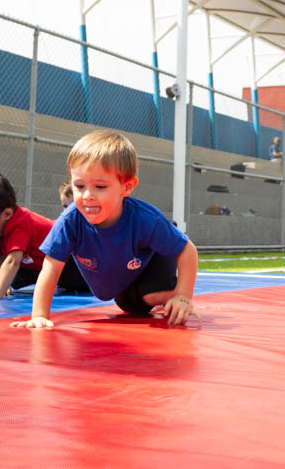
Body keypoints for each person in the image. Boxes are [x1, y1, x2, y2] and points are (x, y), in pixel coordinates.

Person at [10, 130, 199, 328]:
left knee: (153, 296)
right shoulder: (70, 221)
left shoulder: (146, 220)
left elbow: (188, 251)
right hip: (121, 277)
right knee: (132, 308)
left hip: (152, 258)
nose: (87, 195)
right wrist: (39, 315)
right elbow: (51, 267)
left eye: (100, 187)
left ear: (126, 187)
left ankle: (173, 287)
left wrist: (184, 297)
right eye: (79, 186)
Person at [0, 171, 88, 301]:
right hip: (39, 263)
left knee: (78, 282)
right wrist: (2, 287)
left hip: (68, 260)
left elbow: (12, 261)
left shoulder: (21, 222)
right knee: (14, 279)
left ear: (7, 214)